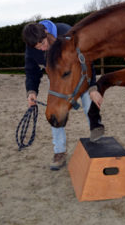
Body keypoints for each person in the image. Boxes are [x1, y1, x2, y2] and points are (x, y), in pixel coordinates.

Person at [22, 20, 104, 170]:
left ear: (45, 34)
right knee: (55, 112)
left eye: (42, 43)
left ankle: (96, 131)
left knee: (88, 104)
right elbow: (31, 71)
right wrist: (31, 91)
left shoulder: (68, 34)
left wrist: (93, 87)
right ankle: (59, 152)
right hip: (58, 81)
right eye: (37, 47)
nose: (41, 48)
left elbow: (87, 60)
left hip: (77, 77)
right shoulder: (32, 48)